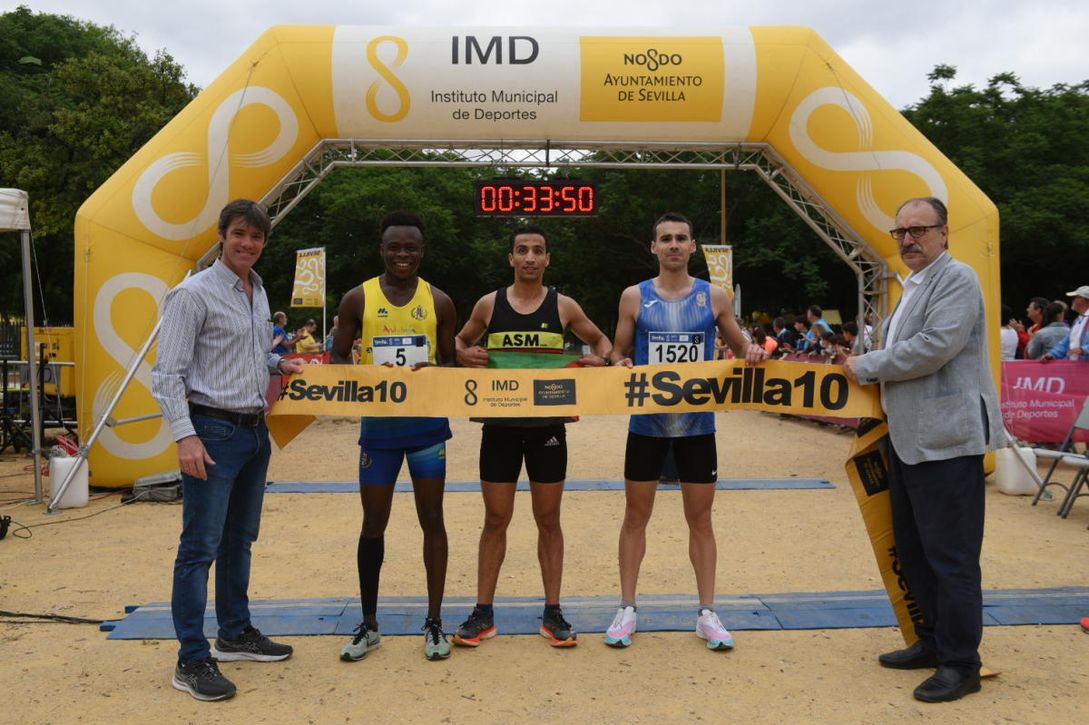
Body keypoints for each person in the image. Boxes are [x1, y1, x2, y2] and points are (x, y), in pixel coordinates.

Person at [844, 197, 1006, 703]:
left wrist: (868, 365)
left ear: (944, 232)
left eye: (919, 230)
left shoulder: (957, 278)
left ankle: (961, 663)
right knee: (915, 551)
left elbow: (936, 346)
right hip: (911, 439)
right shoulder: (911, 286)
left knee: (952, 557)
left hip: (947, 440)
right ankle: (932, 641)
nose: (908, 239)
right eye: (901, 232)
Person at [151, 199, 305, 702]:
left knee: (239, 540)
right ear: (220, 236)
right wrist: (185, 435)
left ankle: (235, 633)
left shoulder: (257, 290)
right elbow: (166, 374)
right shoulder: (191, 294)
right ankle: (191, 659)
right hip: (212, 430)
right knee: (199, 547)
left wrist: (278, 364)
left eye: (256, 237)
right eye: (239, 234)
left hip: (253, 431)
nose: (248, 244)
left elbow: (249, 353)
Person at [604, 212, 768, 651]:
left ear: (693, 246)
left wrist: (753, 351)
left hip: (697, 425)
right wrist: (620, 362)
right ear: (653, 247)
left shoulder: (713, 296)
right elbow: (618, 352)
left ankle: (707, 612)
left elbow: (741, 347)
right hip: (648, 424)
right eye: (666, 239)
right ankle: (627, 607)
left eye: (681, 238)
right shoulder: (633, 297)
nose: (674, 245)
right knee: (635, 516)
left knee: (701, 518)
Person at [451, 225, 611, 649]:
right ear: (511, 258)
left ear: (547, 259)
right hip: (499, 427)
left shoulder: (564, 305)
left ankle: (553, 612)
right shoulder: (489, 304)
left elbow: (600, 339)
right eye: (522, 250)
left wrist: (602, 358)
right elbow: (459, 340)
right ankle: (483, 613)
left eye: (537, 251)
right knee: (495, 519)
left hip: (548, 428)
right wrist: (462, 353)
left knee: (549, 519)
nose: (529, 257)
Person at [332, 211, 457, 662]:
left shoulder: (439, 301)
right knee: (373, 524)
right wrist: (365, 376)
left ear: (422, 252)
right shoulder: (357, 298)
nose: (403, 255)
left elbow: (452, 364)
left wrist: (434, 371)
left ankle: (435, 622)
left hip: (426, 428)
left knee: (432, 520)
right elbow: (337, 358)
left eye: (411, 248)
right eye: (394, 247)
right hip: (379, 430)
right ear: (381, 250)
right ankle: (369, 624)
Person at [1041, 286, 1089, 362]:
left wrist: (1084, 350)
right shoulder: (1078, 320)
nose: (1073, 300)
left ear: (1083, 300)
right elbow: (1066, 342)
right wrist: (1052, 354)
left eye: (1075, 297)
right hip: (1076, 365)